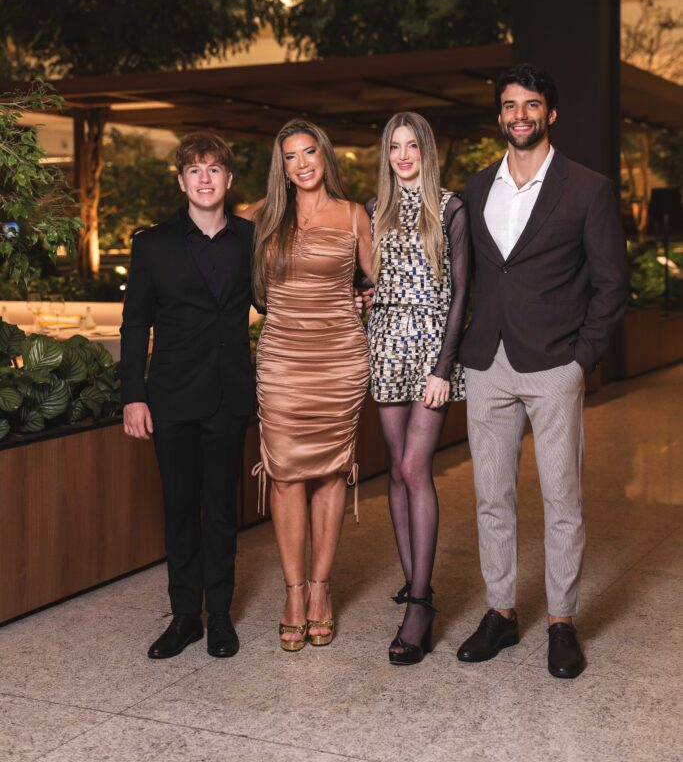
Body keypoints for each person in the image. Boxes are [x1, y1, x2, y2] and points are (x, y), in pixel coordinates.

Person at [456, 64, 629, 679]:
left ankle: (561, 622)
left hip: (555, 363)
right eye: (510, 105)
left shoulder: (587, 188)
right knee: (491, 497)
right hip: (487, 363)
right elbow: (467, 274)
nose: (520, 115)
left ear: (550, 114)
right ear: (499, 116)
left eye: (531, 104)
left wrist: (581, 359)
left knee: (562, 500)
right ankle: (501, 613)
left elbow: (612, 284)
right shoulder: (477, 187)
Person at [120, 133, 254, 660]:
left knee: (221, 510)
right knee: (178, 509)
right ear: (181, 181)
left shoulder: (250, 239)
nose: (204, 178)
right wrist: (134, 396)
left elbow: (275, 298)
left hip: (228, 395)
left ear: (228, 179)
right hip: (171, 397)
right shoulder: (152, 244)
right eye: (195, 170)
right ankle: (184, 617)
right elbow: (135, 325)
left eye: (214, 169)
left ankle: (219, 615)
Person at [247, 119, 371, 652]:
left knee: (330, 474)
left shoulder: (354, 214)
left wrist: (367, 298)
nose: (302, 164)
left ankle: (321, 590)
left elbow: (380, 281)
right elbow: (203, 230)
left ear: (325, 156)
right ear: (282, 167)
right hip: (282, 363)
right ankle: (293, 593)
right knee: (285, 475)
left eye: (309, 152)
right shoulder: (262, 215)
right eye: (291, 156)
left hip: (339, 362)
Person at [365, 112, 469, 666]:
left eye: (412, 146)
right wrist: (361, 292)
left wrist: (443, 369)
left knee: (414, 467)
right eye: (394, 147)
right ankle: (415, 588)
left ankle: (421, 603)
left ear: (427, 151)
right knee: (394, 468)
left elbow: (462, 293)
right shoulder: (372, 211)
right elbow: (362, 275)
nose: (403, 155)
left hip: (431, 347)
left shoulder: (450, 209)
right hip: (384, 342)